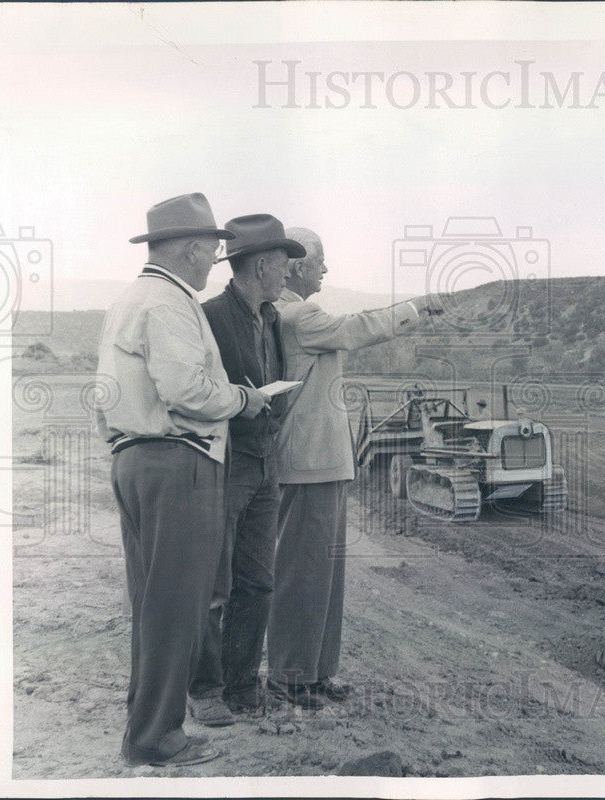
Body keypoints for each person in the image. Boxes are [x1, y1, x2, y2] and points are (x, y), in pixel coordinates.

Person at [95, 193, 269, 766]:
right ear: (193, 248)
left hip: (135, 458)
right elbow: (188, 391)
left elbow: (106, 399)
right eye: (213, 249)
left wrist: (127, 446)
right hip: (178, 462)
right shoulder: (169, 304)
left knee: (151, 602)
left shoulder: (130, 300)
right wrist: (244, 399)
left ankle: (145, 721)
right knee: (177, 606)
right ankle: (154, 738)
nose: (215, 259)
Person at [265, 227, 441, 707]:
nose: (326, 270)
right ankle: (289, 676)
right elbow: (358, 328)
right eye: (321, 262)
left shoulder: (285, 312)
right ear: (298, 267)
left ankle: (315, 672)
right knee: (303, 571)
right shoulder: (298, 313)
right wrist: (414, 308)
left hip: (319, 463)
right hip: (309, 463)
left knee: (321, 573)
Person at [187, 215, 306, 726]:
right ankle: (204, 690)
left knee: (256, 581)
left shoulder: (272, 317)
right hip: (225, 463)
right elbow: (195, 392)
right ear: (261, 265)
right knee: (214, 582)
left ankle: (239, 686)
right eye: (283, 266)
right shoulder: (209, 316)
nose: (288, 275)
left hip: (263, 463)